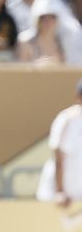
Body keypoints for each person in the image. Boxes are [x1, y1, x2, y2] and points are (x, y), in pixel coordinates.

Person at [37, 78, 82, 207]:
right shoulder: (67, 119)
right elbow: (58, 157)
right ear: (78, 97)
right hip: (57, 197)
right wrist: (60, 192)